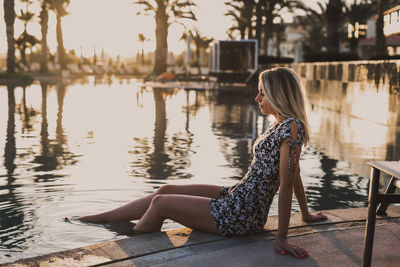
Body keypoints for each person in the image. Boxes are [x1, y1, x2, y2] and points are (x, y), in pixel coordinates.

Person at [78, 67, 328, 259]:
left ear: (278, 94)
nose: (257, 97)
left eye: (262, 92)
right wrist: (305, 214)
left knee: (161, 203)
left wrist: (282, 239)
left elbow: (287, 183)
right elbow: (295, 174)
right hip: (237, 197)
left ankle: (130, 240)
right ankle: (100, 219)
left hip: (241, 214)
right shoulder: (281, 124)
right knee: (165, 190)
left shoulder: (291, 128)